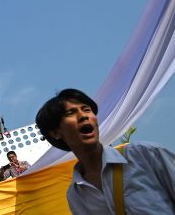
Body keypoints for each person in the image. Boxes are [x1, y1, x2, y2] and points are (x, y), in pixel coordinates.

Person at [36, 88, 175, 214]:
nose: (84, 116)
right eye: (71, 112)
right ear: (55, 132)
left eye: (86, 109)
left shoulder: (145, 155)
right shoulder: (76, 196)